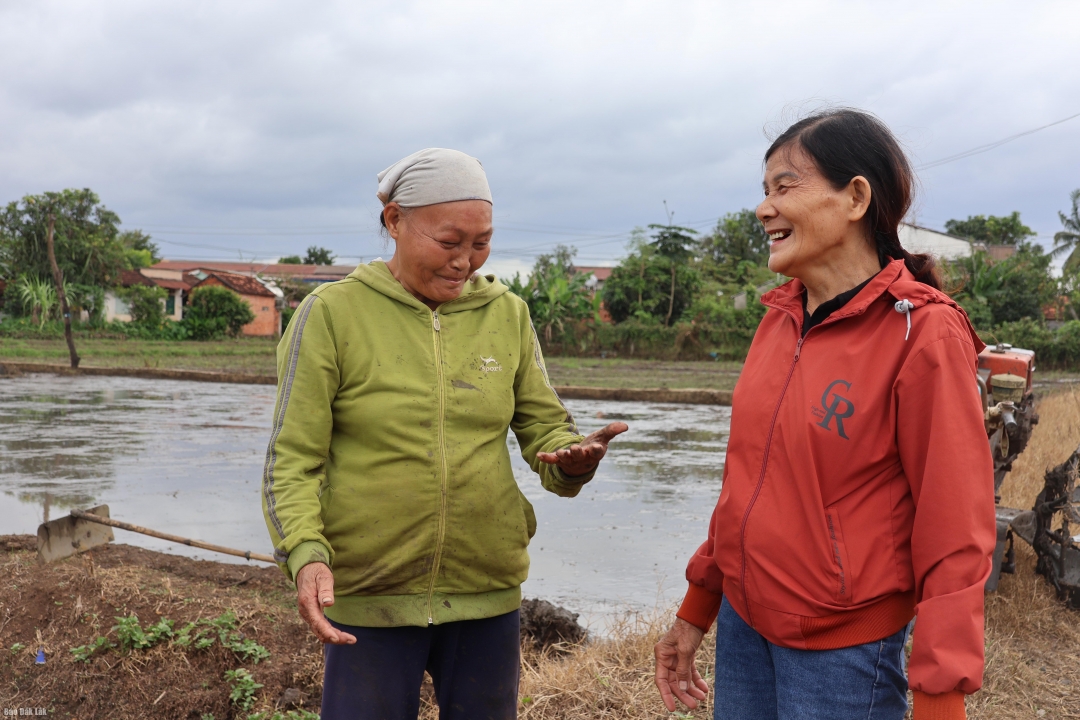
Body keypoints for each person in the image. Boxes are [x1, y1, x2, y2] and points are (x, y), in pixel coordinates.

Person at [262, 148, 627, 720]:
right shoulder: (331, 313)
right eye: (449, 242)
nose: (466, 261)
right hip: (371, 596)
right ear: (395, 222)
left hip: (486, 594)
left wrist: (570, 460)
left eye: (481, 243)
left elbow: (542, 425)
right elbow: (294, 457)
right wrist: (306, 553)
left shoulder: (507, 314)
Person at [653, 109, 996, 720]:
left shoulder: (924, 332)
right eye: (764, 191)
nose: (764, 208)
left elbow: (955, 529)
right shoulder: (779, 319)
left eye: (785, 186)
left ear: (856, 196)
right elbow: (745, 485)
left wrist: (941, 695)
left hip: (842, 653)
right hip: (744, 626)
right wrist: (697, 609)